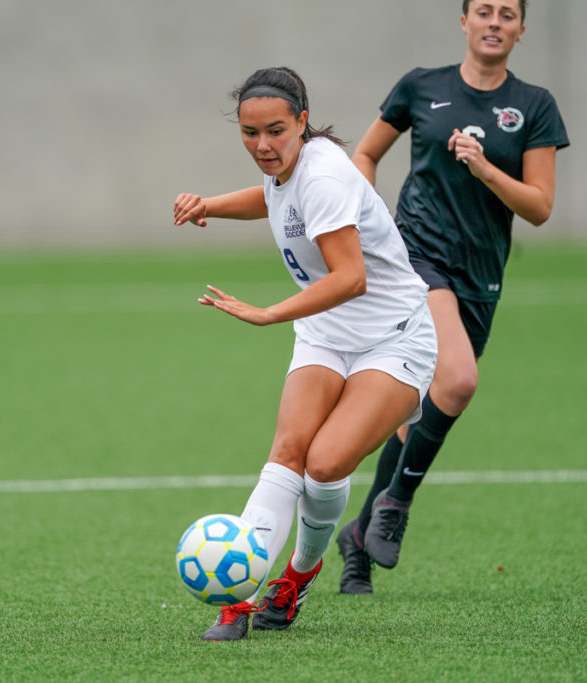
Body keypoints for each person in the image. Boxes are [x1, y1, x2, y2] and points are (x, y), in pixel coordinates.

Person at [172, 66, 437, 641]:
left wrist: (269, 313)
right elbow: (270, 198)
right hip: (325, 331)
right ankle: (239, 600)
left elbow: (351, 278)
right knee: (289, 450)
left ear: (303, 123)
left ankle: (299, 573)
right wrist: (210, 206)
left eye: (275, 131)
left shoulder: (324, 177)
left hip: (394, 337)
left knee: (323, 465)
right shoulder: (286, 168)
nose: (262, 146)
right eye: (249, 133)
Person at [335, 0, 570, 594]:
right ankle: (397, 505)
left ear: (521, 28)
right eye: (483, 11)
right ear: (463, 22)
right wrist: (369, 223)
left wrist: (486, 168)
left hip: (482, 273)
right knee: (459, 381)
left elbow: (539, 208)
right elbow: (364, 153)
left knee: (414, 416)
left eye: (507, 14)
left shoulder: (536, 105)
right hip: (416, 257)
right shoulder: (421, 87)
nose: (495, 22)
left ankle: (359, 534)